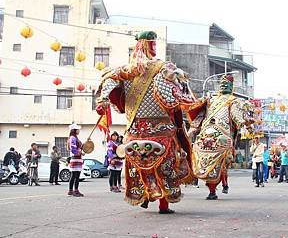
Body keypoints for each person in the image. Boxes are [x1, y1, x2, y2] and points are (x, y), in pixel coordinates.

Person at [96, 31, 196, 214]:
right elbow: (173, 100)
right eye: (154, 44)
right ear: (150, 46)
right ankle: (163, 204)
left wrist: (103, 101)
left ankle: (145, 195)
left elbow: (108, 88)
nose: (155, 48)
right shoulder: (163, 68)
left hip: (134, 131)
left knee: (139, 165)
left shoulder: (124, 71)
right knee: (165, 167)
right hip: (162, 130)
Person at [187, 74, 254, 200]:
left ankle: (215, 188)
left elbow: (199, 117)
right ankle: (219, 186)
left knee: (210, 162)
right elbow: (236, 117)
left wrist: (192, 130)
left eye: (225, 84)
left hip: (207, 135)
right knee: (220, 164)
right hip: (219, 135)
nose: (224, 85)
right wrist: (245, 124)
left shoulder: (224, 100)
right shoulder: (216, 100)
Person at [68, 123, 84, 197]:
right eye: (78, 129)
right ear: (74, 130)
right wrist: (78, 152)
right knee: (75, 175)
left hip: (77, 159)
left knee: (76, 176)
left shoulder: (75, 138)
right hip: (75, 159)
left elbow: (79, 147)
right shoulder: (73, 138)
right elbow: (73, 148)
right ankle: (73, 191)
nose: (79, 130)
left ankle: (74, 190)